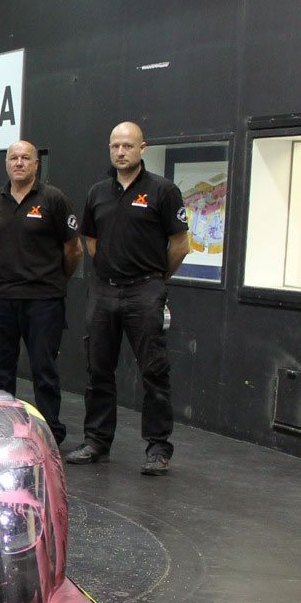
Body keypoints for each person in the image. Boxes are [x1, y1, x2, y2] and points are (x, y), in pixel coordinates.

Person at [66, 121, 190, 475]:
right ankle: (97, 441)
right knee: (98, 369)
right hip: (104, 290)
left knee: (153, 371)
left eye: (128, 146)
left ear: (142, 148)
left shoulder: (163, 191)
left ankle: (158, 447)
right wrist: (110, 271)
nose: (120, 152)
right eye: (115, 146)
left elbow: (180, 246)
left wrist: (154, 280)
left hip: (145, 289)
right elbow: (90, 243)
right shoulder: (97, 192)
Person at [0, 140, 82, 445]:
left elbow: (73, 249)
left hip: (44, 300)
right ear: (7, 163)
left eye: (26, 158)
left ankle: (50, 431)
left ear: (36, 164)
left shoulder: (54, 199)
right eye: (14, 158)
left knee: (44, 368)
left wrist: (52, 281)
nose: (19, 163)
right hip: (4, 298)